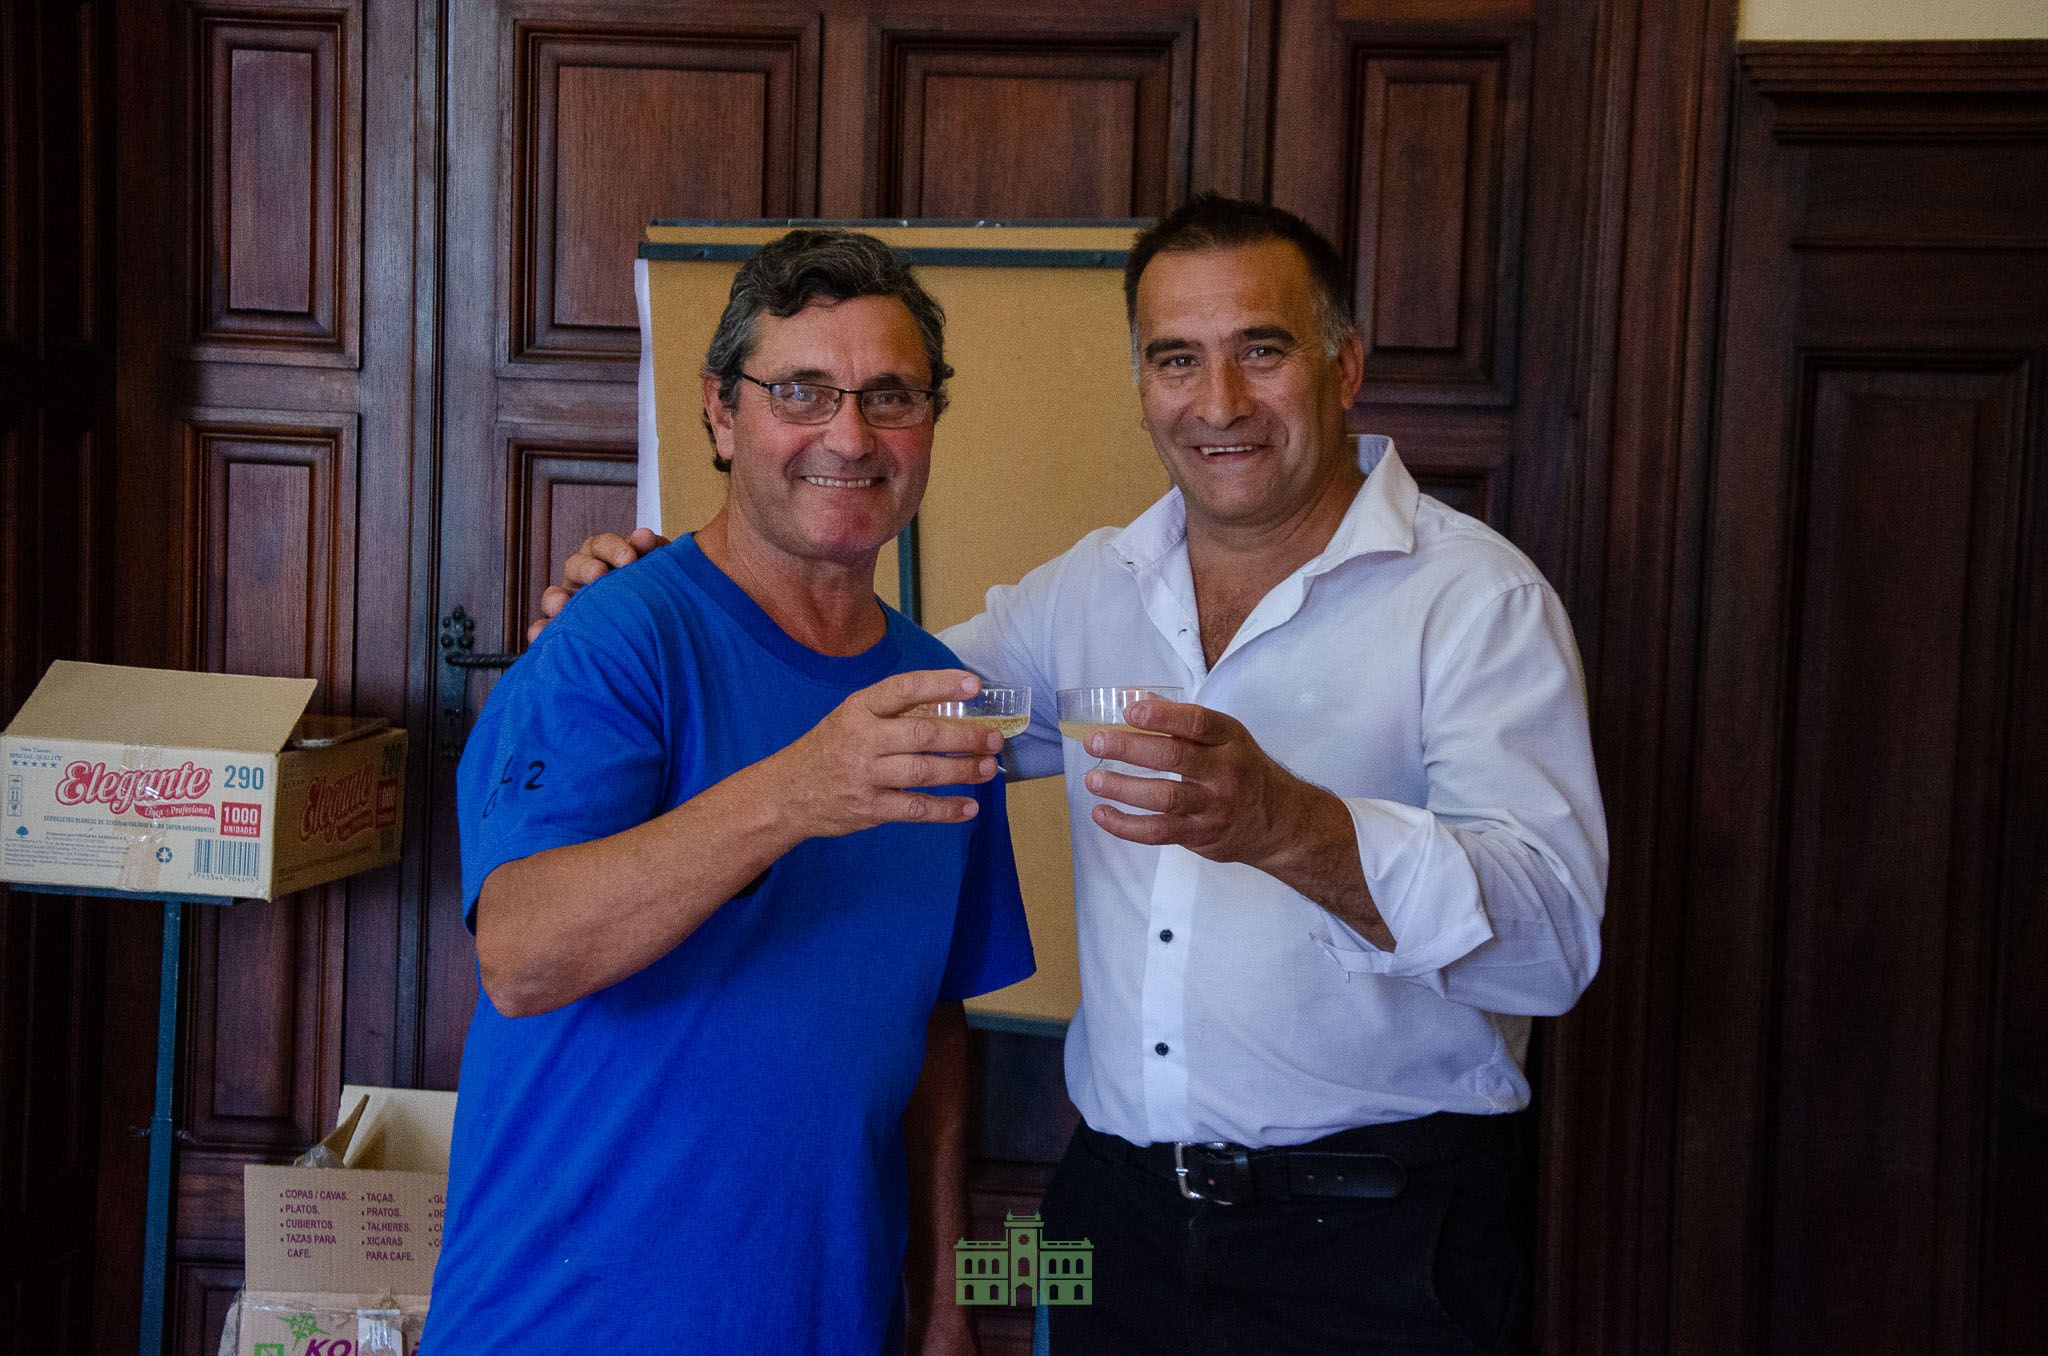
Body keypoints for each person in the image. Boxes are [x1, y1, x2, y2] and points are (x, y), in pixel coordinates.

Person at [538, 195, 1606, 1354]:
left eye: (1260, 350)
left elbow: (1551, 946)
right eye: (1175, 359)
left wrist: (1285, 826)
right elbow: (865, 722)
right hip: (1114, 1215)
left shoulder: (1475, 604)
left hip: (1382, 1240)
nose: (1217, 403)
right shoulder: (1089, 593)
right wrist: (649, 619)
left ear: (1342, 366)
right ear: (1140, 383)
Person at [426, 228, 1035, 1356]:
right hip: (573, 1325)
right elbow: (520, 955)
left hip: (828, 1321)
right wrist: (799, 792)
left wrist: (946, 1304)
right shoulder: (615, 638)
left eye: (891, 396)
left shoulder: (942, 693)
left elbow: (932, 1019)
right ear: (720, 413)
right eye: (801, 391)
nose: (849, 435)